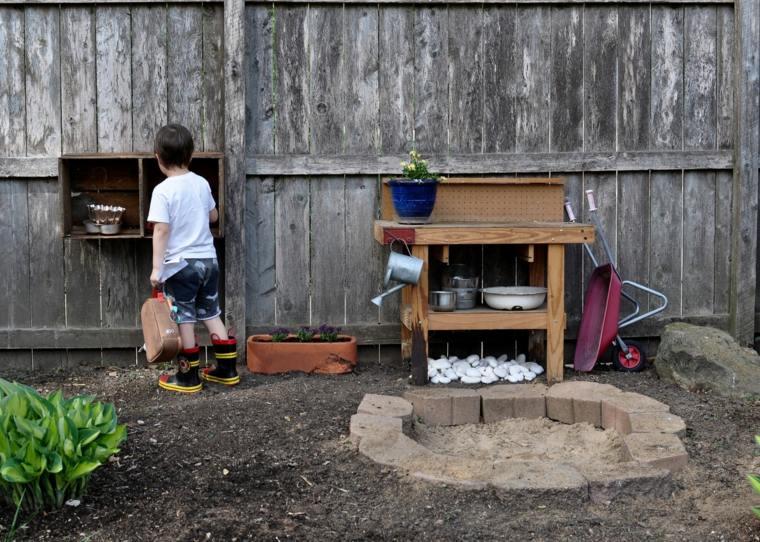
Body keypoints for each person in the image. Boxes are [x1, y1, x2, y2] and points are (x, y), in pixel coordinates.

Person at [147, 124, 239, 393]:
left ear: (158, 158)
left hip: (181, 267)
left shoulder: (162, 191)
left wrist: (157, 268)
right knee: (211, 312)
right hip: (209, 262)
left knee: (184, 317)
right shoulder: (201, 183)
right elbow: (214, 216)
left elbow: (161, 230)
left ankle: (188, 376)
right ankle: (227, 370)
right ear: (190, 155)